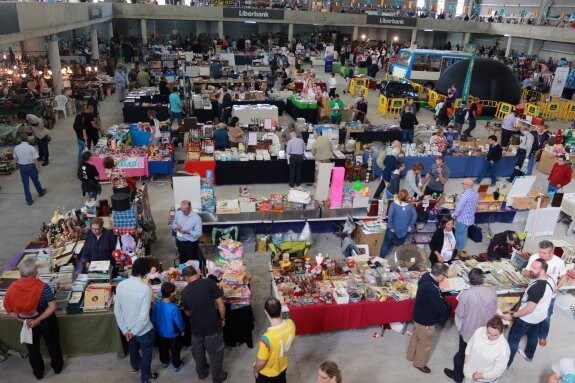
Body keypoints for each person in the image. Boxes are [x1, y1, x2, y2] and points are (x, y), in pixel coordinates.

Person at [3, 259, 64, 380]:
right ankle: (57, 367)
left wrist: (24, 321)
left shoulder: (11, 289)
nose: (37, 271)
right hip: (46, 321)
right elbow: (52, 306)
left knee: (33, 349)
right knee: (52, 344)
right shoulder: (43, 287)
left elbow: (9, 310)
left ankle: (38, 372)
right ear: (33, 273)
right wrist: (38, 319)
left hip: (27, 324)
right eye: (36, 269)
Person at [444, 268, 497, 383]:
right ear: (482, 279)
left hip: (469, 332)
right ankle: (475, 375)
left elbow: (460, 314)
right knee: (479, 354)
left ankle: (458, 376)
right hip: (485, 331)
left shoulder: (466, 295)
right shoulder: (492, 291)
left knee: (462, 354)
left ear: (469, 280)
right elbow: (494, 310)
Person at [502, 258, 554, 367]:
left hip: (526, 319)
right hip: (539, 317)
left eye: (534, 268)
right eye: (531, 266)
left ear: (542, 270)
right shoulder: (550, 279)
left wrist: (512, 315)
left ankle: (506, 363)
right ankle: (529, 355)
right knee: (533, 336)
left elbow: (529, 309)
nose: (531, 270)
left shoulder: (537, 288)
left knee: (513, 339)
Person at [181, 266, 228, 383]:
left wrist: (196, 314)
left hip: (196, 329)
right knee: (216, 354)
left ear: (186, 278)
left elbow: (187, 312)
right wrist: (222, 318)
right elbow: (221, 305)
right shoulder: (209, 283)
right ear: (197, 273)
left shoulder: (185, 292)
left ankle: (202, 373)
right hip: (212, 327)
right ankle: (217, 377)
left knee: (198, 354)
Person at [114, 257, 158, 383]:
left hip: (127, 328)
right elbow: (144, 316)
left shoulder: (121, 285)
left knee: (132, 348)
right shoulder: (145, 288)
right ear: (145, 272)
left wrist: (125, 329)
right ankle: (146, 377)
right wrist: (135, 331)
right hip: (143, 330)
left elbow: (117, 310)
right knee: (146, 353)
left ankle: (135, 366)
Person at [522, 240, 568, 348]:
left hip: (549, 295)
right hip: (534, 291)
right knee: (529, 311)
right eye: (540, 252)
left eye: (544, 253)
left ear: (551, 252)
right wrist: (530, 273)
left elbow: (564, 276)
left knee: (546, 317)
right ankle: (526, 331)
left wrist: (556, 287)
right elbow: (527, 271)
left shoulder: (559, 262)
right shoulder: (534, 257)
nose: (541, 255)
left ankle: (543, 336)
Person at [407, 263, 450, 374]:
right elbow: (440, 309)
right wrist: (445, 306)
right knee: (425, 343)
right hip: (426, 319)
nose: (445, 277)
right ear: (439, 275)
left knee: (416, 336)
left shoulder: (426, 276)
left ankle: (410, 355)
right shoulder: (431, 289)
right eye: (444, 275)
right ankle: (419, 363)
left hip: (418, 315)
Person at [253, 297, 296, 383]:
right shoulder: (291, 324)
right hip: (282, 367)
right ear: (280, 309)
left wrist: (255, 369)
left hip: (267, 375)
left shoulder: (267, 338)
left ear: (265, 312)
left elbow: (261, 362)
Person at [462, 317, 510, 383]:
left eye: (495, 335)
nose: (491, 337)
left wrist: (477, 376)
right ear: (486, 328)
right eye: (489, 333)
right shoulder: (479, 331)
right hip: (469, 370)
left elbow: (498, 371)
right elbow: (470, 343)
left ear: (502, 332)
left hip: (483, 379)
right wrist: (466, 359)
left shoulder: (503, 348)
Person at [151, 282, 185, 372]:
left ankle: (165, 362)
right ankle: (176, 365)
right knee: (175, 350)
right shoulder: (174, 307)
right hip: (173, 333)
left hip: (161, 332)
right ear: (172, 294)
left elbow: (153, 319)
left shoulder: (156, 305)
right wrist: (182, 330)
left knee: (162, 348)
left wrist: (155, 328)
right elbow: (178, 321)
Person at [380, 189, 417, 258]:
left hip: (392, 230)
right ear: (406, 197)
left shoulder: (393, 205)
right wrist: (409, 226)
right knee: (399, 248)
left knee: (386, 244)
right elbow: (415, 216)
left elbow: (390, 216)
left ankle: (381, 260)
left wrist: (391, 227)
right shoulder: (410, 206)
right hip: (403, 231)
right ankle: (396, 262)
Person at [14, 133, 46, 206]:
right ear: (27, 139)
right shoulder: (31, 148)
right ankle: (40, 192)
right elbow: (35, 159)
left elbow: (15, 159)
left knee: (25, 185)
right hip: (31, 167)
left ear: (20, 140)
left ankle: (29, 201)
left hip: (22, 167)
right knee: (35, 181)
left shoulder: (16, 148)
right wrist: (38, 168)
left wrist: (14, 163)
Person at [172, 200, 202, 265]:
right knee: (182, 261)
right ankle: (183, 273)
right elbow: (173, 224)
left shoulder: (196, 218)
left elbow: (199, 233)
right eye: (182, 210)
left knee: (191, 262)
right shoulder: (178, 213)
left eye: (185, 210)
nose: (183, 212)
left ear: (190, 208)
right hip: (180, 242)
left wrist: (188, 232)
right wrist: (176, 227)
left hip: (191, 244)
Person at [453, 179, 479, 251]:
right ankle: (461, 247)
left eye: (463, 183)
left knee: (458, 233)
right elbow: (476, 206)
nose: (463, 185)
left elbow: (459, 206)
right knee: (464, 233)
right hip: (469, 218)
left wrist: (455, 215)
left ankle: (458, 248)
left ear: (466, 185)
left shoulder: (465, 195)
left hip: (462, 218)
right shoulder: (476, 194)